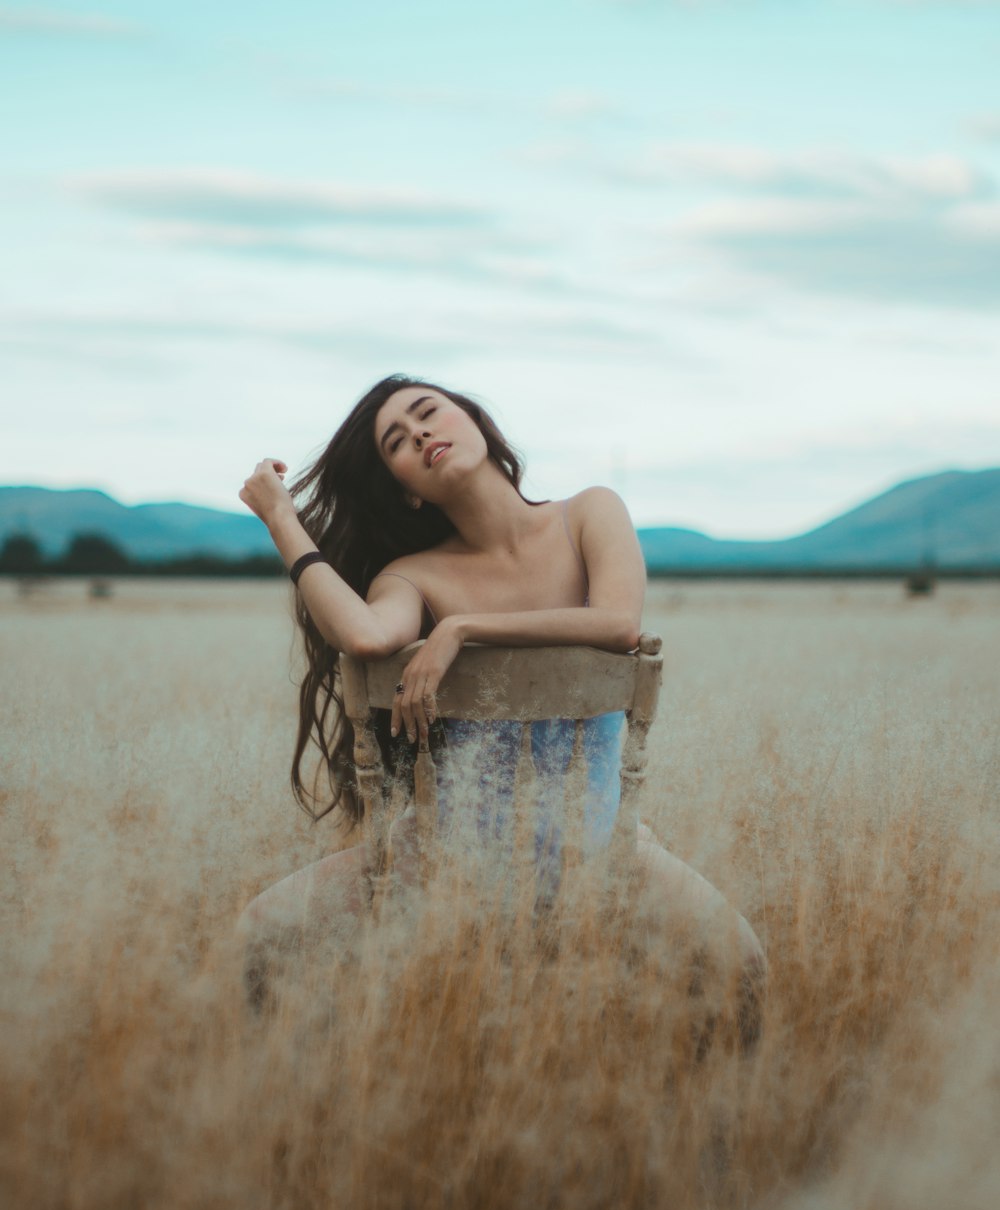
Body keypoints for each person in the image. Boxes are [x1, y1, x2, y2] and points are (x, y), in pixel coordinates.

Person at [237, 375, 765, 1039]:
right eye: (396, 442)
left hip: (599, 848)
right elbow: (367, 636)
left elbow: (618, 624)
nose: (420, 433)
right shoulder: (412, 576)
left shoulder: (589, 514)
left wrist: (462, 630)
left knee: (742, 964)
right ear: (404, 486)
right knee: (260, 934)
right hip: (442, 857)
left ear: (478, 425)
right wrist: (284, 520)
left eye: (428, 413)